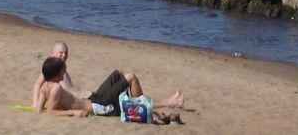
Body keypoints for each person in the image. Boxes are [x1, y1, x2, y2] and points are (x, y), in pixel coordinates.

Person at [33, 57, 184, 120]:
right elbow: (51, 112)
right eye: (63, 69)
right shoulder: (56, 89)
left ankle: (167, 103)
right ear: (56, 73)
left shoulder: (45, 86)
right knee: (130, 77)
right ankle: (158, 106)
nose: (65, 70)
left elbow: (39, 110)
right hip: (100, 106)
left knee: (117, 74)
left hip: (93, 99)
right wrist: (74, 112)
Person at [32, 41, 90, 107]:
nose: (64, 55)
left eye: (66, 53)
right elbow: (37, 84)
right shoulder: (52, 68)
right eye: (61, 53)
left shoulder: (61, 67)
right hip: (77, 99)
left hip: (81, 94)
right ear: (52, 54)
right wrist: (35, 103)